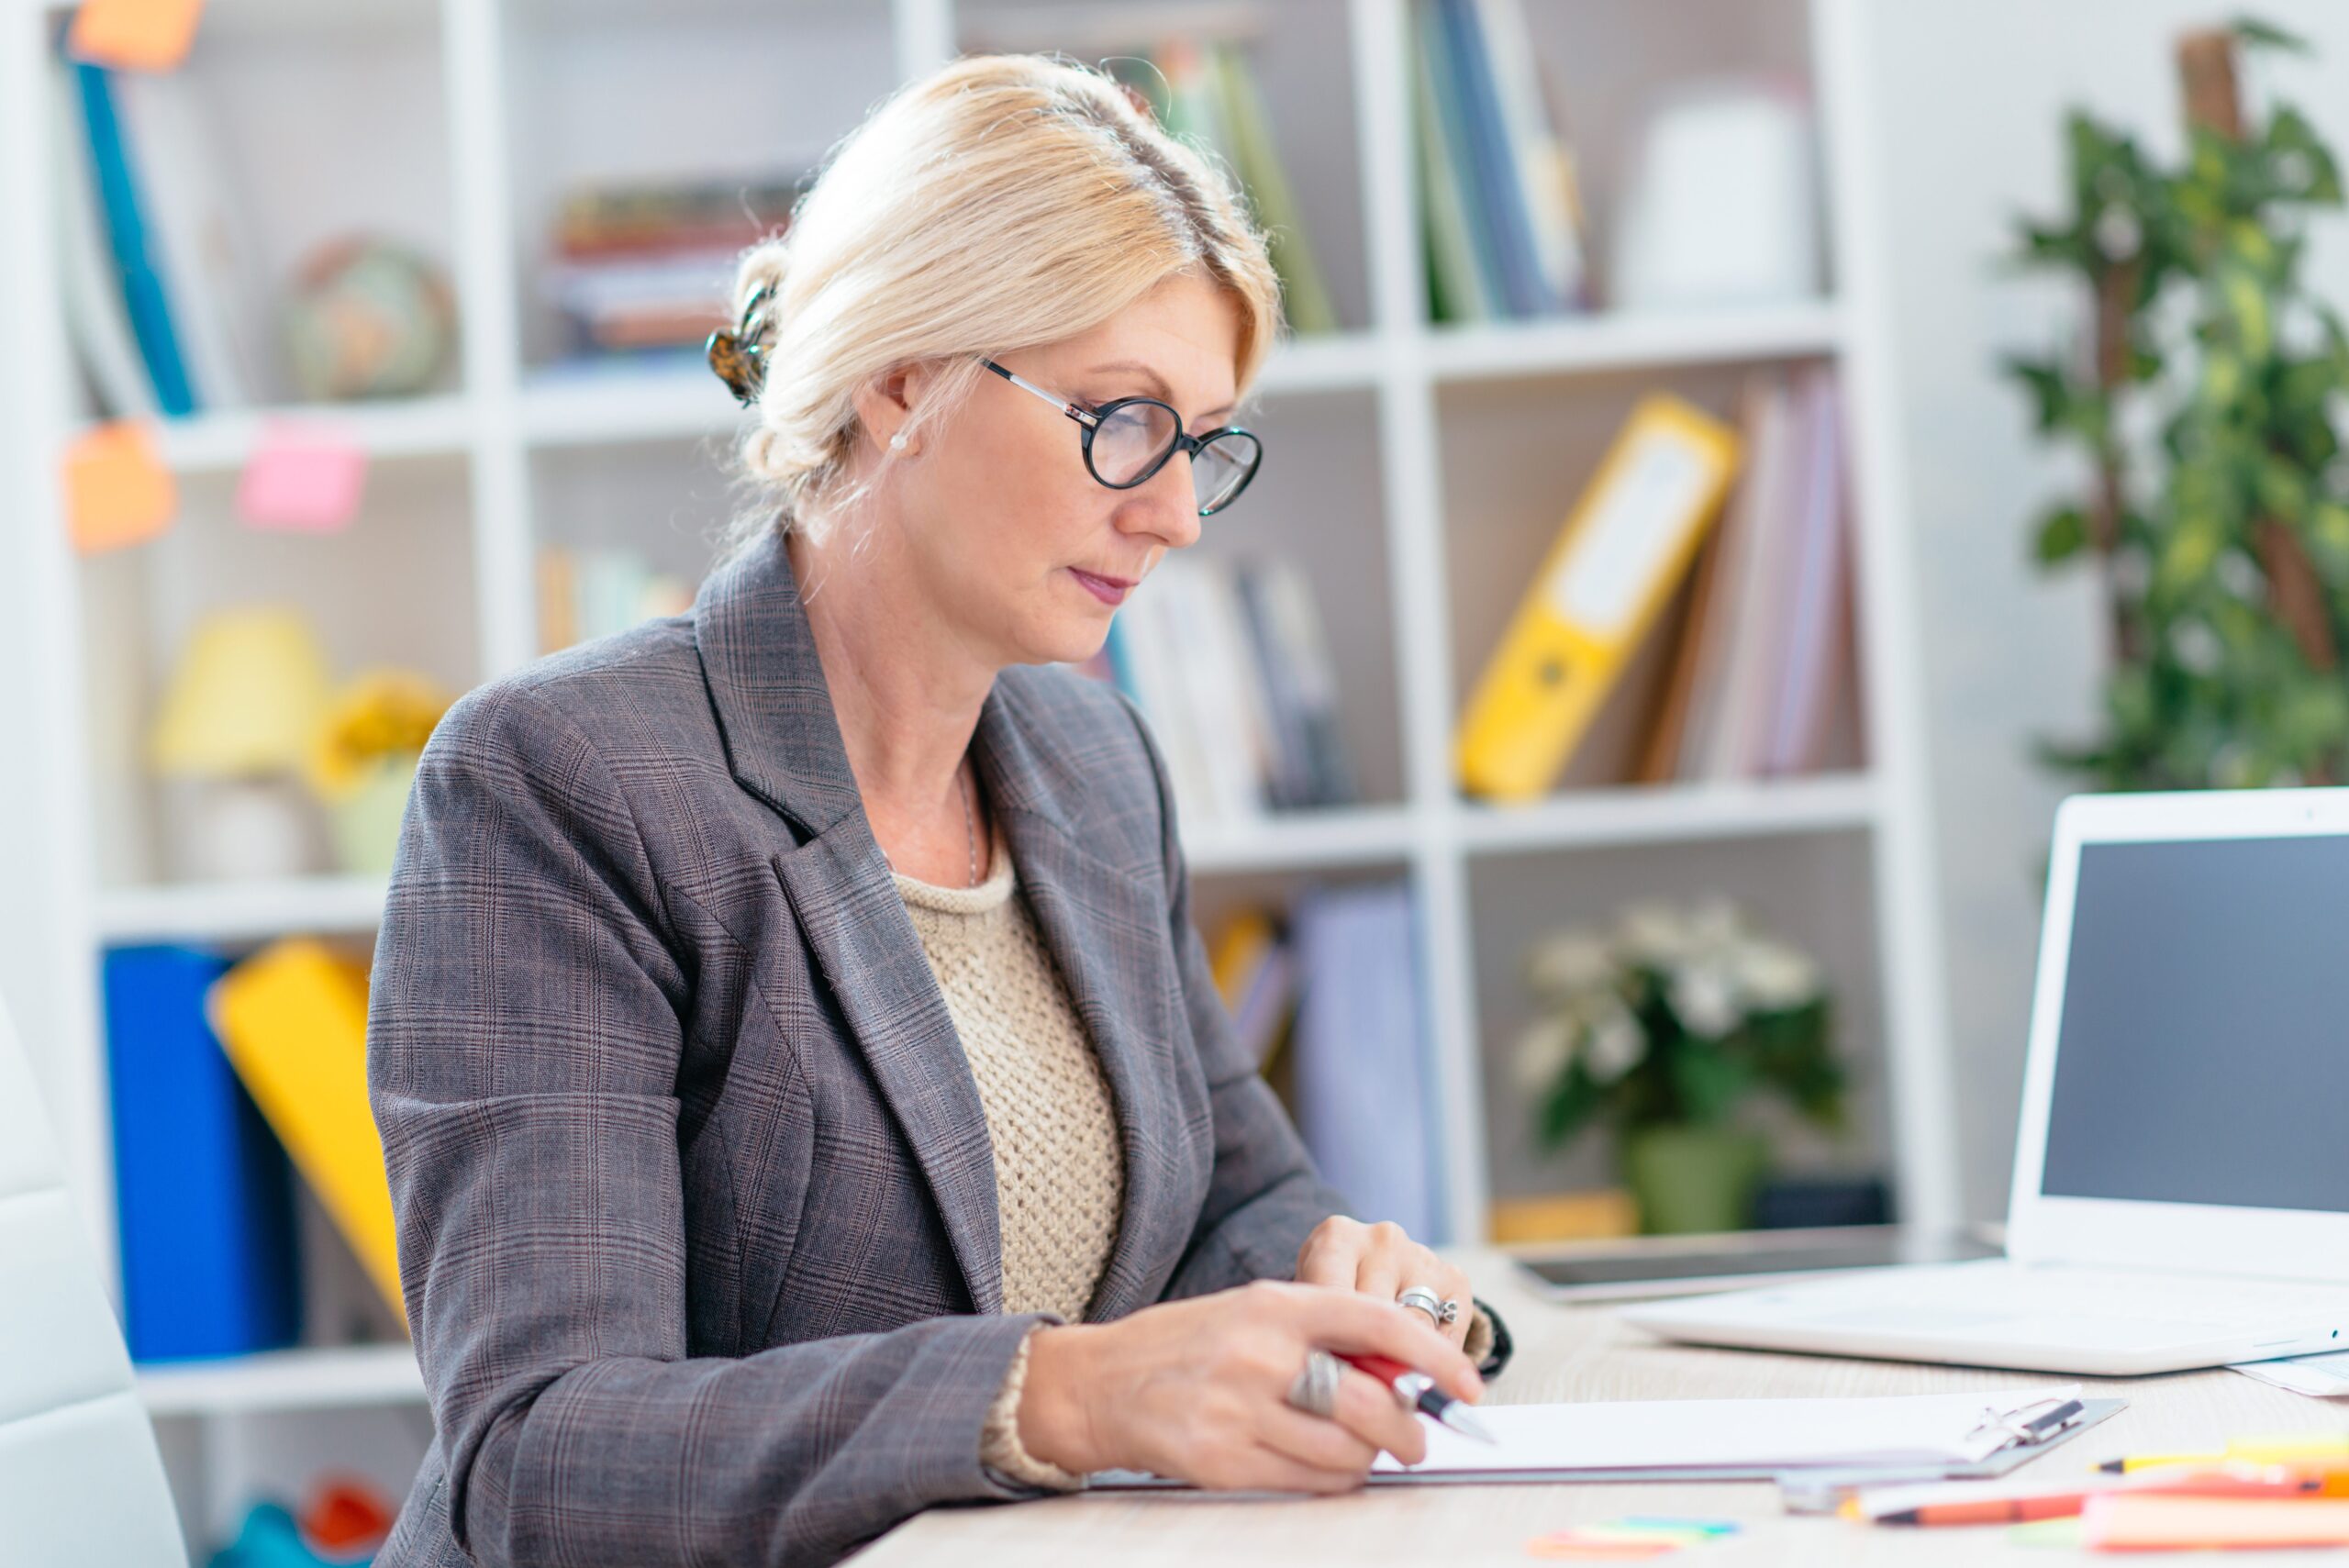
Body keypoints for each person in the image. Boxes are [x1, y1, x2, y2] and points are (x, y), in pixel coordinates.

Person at [365, 52, 1508, 1568]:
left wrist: (1351, 1283)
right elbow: (542, 1452)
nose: (1173, 511)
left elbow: (1235, 1201)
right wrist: (1066, 1394)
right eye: (1121, 417)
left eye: (1204, 441)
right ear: (902, 376)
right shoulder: (561, 781)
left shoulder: (1095, 766)